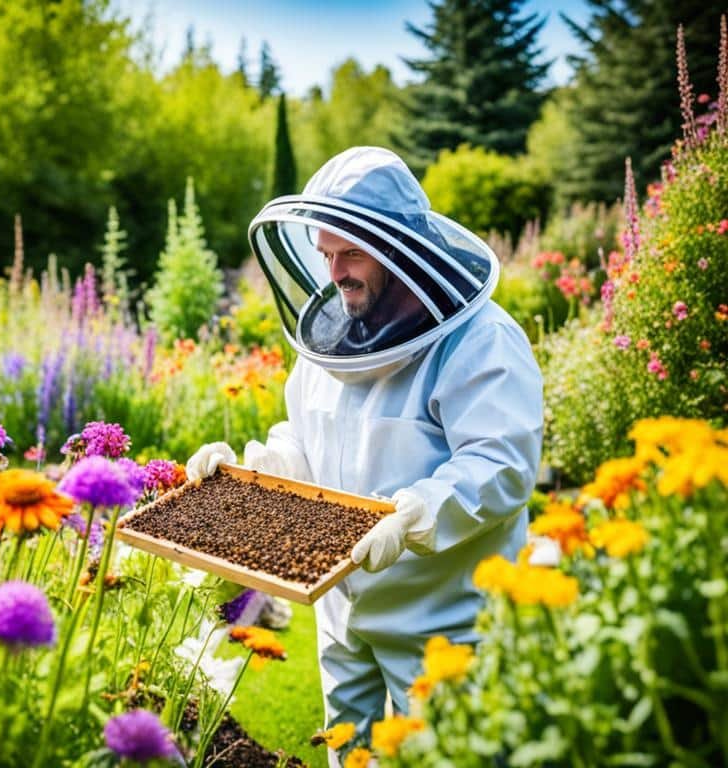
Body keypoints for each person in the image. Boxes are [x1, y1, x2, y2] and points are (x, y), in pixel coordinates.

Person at [185, 147, 543, 760]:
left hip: (446, 622)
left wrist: (414, 515)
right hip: (342, 612)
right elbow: (304, 440)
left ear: (402, 247)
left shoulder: (481, 342)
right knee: (347, 752)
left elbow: (501, 462)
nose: (334, 272)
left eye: (350, 252)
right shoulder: (331, 341)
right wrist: (253, 472)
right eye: (326, 254)